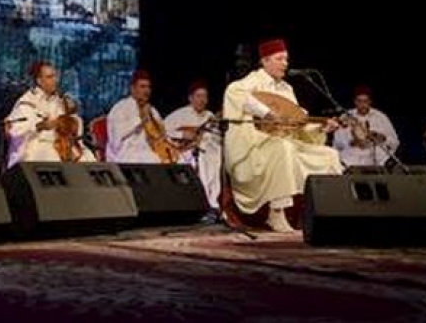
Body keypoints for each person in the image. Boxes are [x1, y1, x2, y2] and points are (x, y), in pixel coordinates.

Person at [222, 38, 342, 233]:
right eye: (280, 59)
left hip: (284, 140)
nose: (285, 64)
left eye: (286, 59)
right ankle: (276, 213)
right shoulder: (249, 82)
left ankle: (328, 211)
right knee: (282, 148)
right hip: (253, 147)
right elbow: (239, 97)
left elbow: (296, 124)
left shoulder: (287, 90)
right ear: (265, 61)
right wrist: (267, 113)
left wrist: (321, 129)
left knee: (329, 155)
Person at [5, 60, 95, 167]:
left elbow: (73, 125)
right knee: (52, 156)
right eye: (50, 77)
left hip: (61, 145)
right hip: (36, 147)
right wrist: (41, 126)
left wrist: (71, 114)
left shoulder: (60, 100)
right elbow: (15, 130)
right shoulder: (28, 102)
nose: (55, 80)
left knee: (87, 158)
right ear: (39, 81)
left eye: (55, 76)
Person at [164, 80, 222, 212]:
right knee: (204, 158)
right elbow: (163, 131)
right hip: (184, 153)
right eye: (198, 96)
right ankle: (205, 201)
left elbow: (216, 137)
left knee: (213, 153)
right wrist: (182, 135)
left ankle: (213, 201)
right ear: (190, 98)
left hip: (209, 153)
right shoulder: (179, 114)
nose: (202, 100)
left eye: (205, 97)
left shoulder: (209, 116)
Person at [106, 69, 179, 164]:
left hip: (151, 150)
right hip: (128, 152)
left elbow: (161, 132)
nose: (146, 91)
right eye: (142, 87)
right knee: (153, 160)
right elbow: (116, 137)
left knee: (181, 159)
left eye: (148, 87)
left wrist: (172, 145)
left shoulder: (152, 110)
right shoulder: (120, 108)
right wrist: (141, 119)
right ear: (132, 89)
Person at [332, 85, 400, 168]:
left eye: (365, 101)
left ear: (370, 102)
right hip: (352, 155)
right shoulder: (346, 116)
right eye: (359, 101)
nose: (362, 104)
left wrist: (382, 138)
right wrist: (353, 141)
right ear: (355, 102)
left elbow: (394, 142)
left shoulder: (380, 117)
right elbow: (337, 143)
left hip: (375, 155)